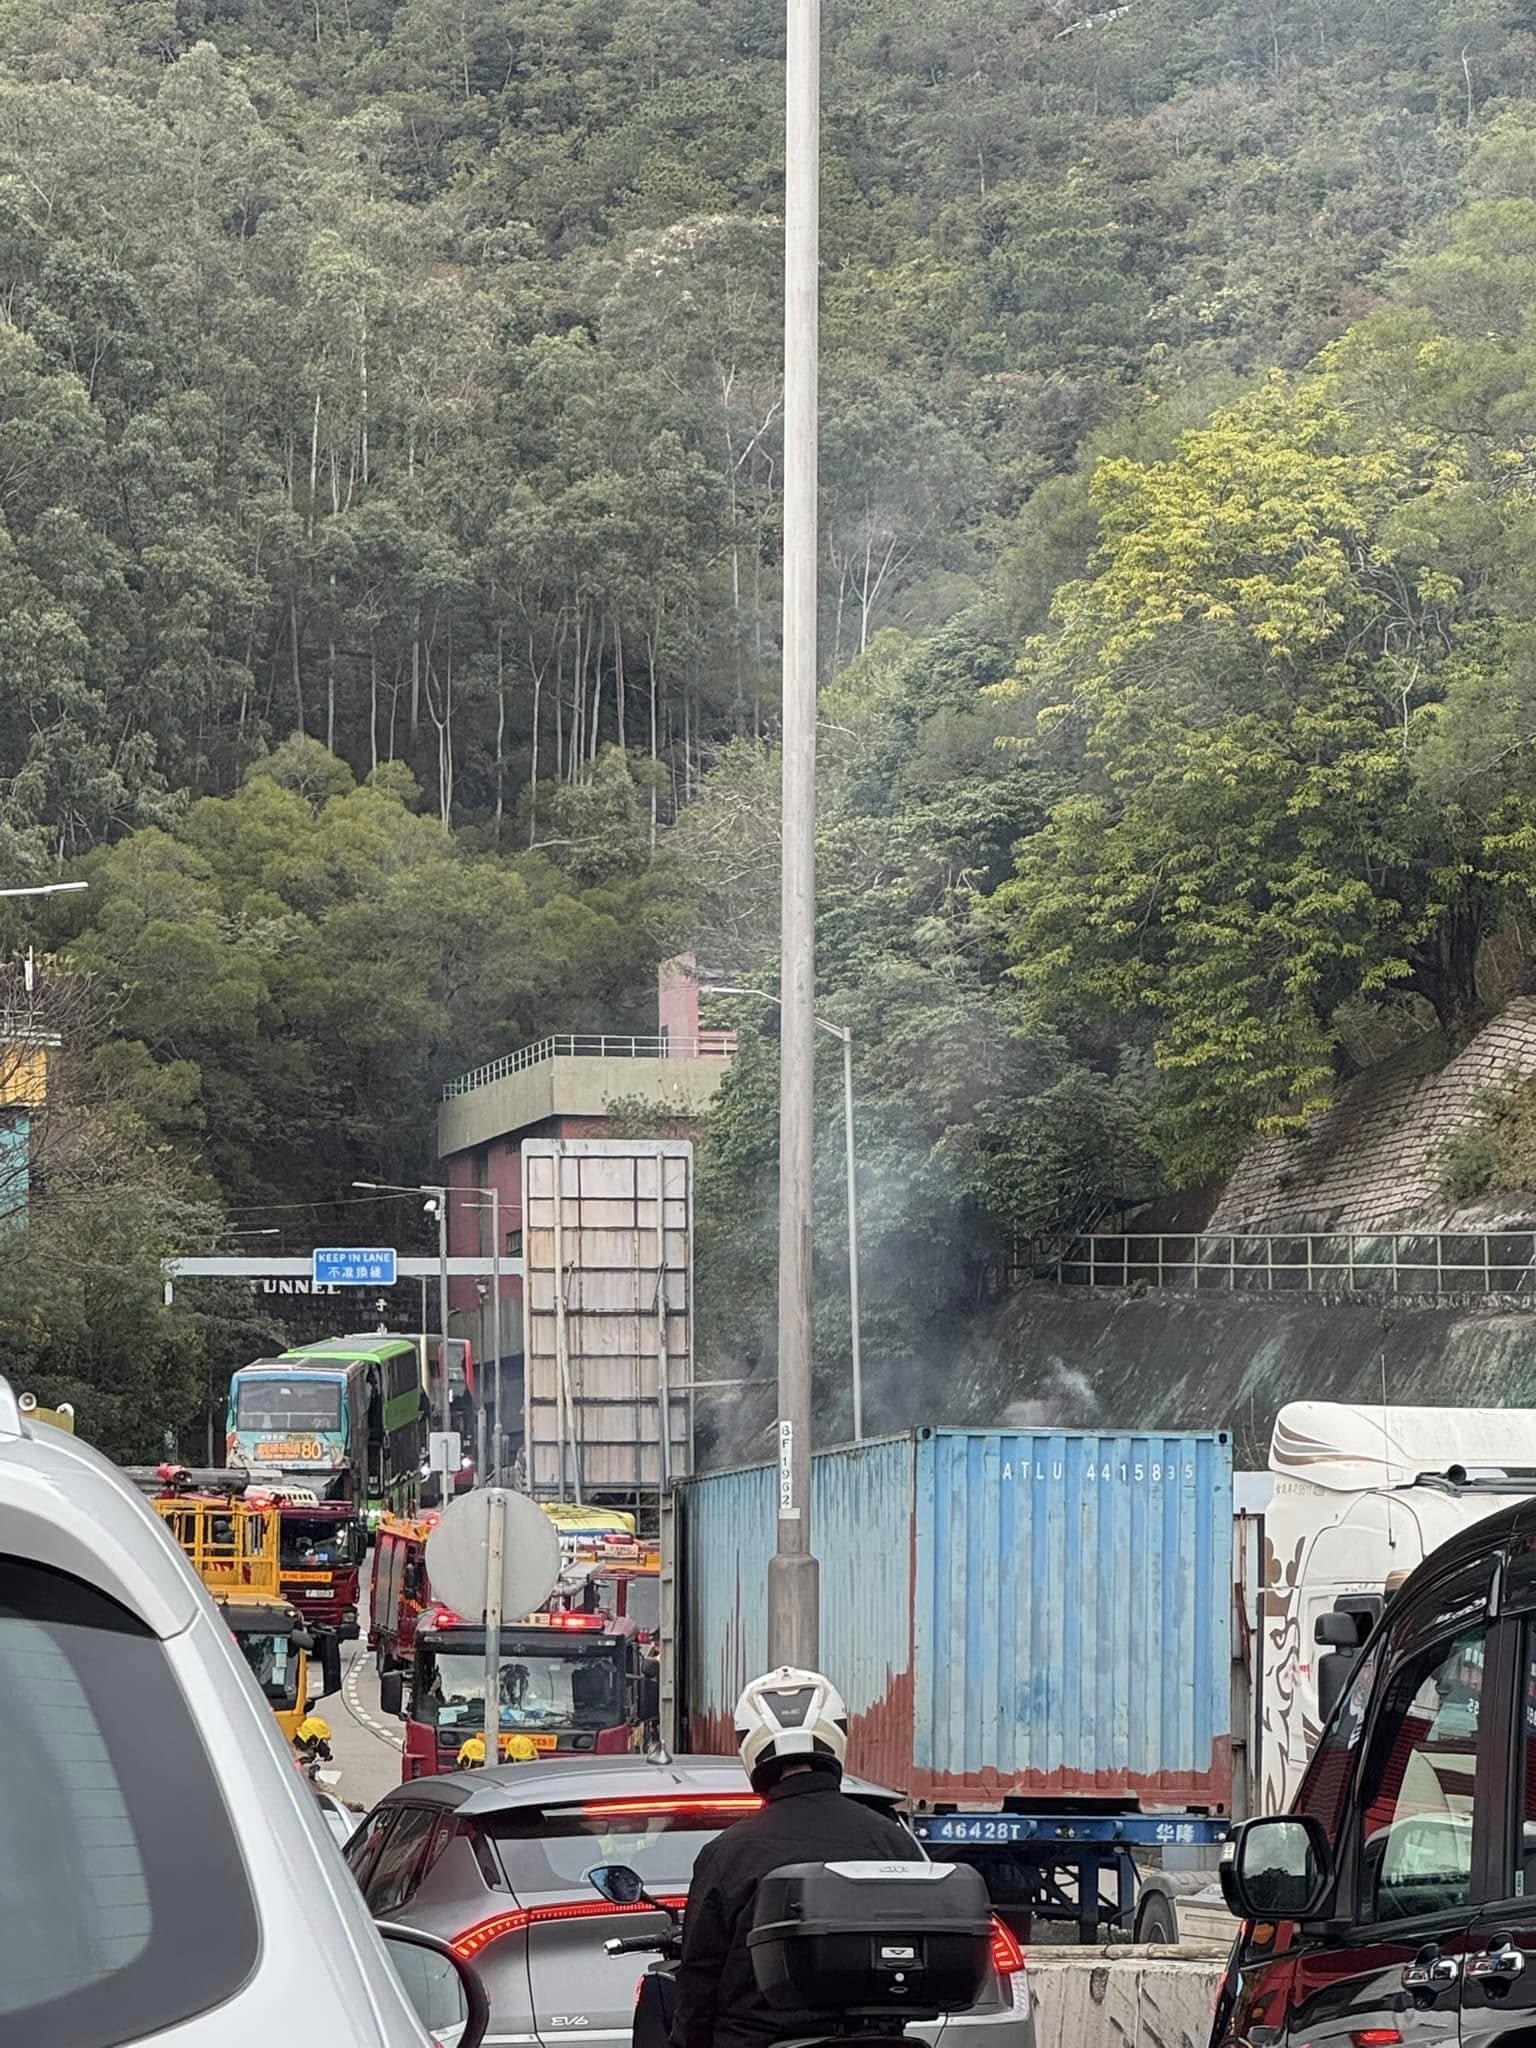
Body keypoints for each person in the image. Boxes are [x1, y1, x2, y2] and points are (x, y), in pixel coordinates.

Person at [672, 1667, 916, 2048]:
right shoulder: (894, 1842)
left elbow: (700, 1979)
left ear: (750, 1744)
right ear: (836, 1734)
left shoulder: (727, 1854)